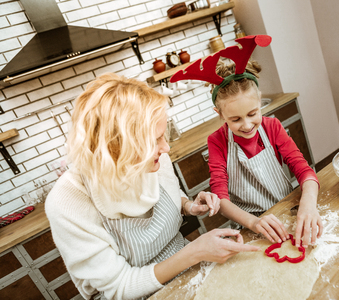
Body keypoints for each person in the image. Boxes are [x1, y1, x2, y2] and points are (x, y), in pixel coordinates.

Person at [45, 73, 259, 300]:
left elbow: (165, 193)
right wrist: (195, 251)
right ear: (116, 147)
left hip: (190, 270)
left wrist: (187, 205)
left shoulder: (155, 159)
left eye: (162, 135)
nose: (165, 147)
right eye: (154, 140)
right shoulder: (67, 201)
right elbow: (120, 287)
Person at [206, 59, 323, 249]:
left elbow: (304, 170)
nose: (247, 125)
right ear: (219, 113)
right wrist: (253, 223)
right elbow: (221, 200)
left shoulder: (272, 127)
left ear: (260, 101)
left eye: (252, 114)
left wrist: (308, 204)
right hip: (250, 225)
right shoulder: (217, 142)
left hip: (288, 210)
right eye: (235, 119)